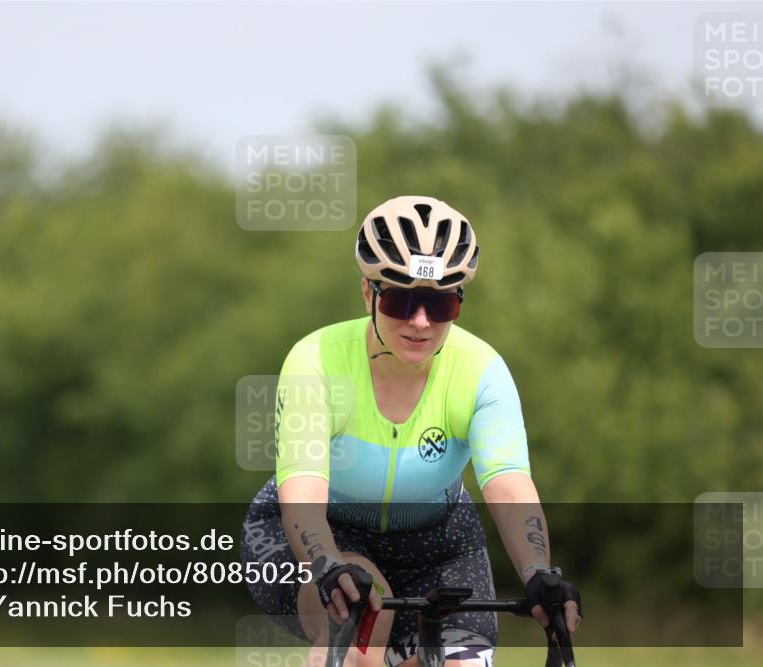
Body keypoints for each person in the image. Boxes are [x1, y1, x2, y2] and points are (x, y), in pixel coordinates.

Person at [240, 196, 582, 667]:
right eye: (401, 300)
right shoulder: (316, 360)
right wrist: (326, 563)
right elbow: (302, 489)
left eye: (440, 304)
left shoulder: (482, 370)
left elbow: (506, 484)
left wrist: (539, 572)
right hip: (326, 532)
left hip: (438, 542)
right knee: (357, 618)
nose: (420, 322)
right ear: (368, 294)